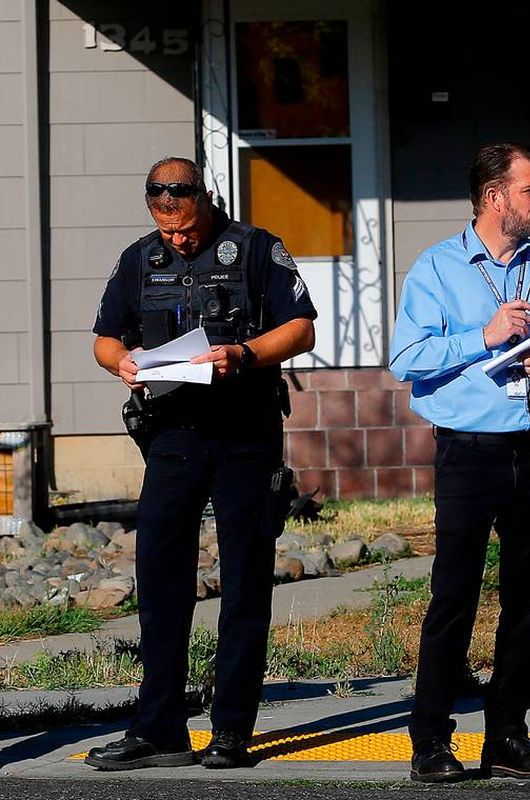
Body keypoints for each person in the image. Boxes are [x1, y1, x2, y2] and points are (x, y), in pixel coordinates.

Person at [87, 157, 317, 770]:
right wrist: (123, 362)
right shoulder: (140, 259)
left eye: (187, 230)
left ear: (206, 202)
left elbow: (300, 329)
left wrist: (243, 353)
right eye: (168, 231)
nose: (179, 240)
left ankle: (231, 729)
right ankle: (158, 728)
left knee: (244, 577)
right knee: (160, 577)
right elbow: (105, 336)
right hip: (173, 435)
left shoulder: (256, 249)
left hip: (245, 432)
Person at [389, 143, 530, 783]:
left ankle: (508, 733)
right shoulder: (437, 268)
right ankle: (430, 736)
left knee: (528, 596)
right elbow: (406, 359)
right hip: (468, 450)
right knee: (454, 594)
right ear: (493, 195)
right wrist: (484, 336)